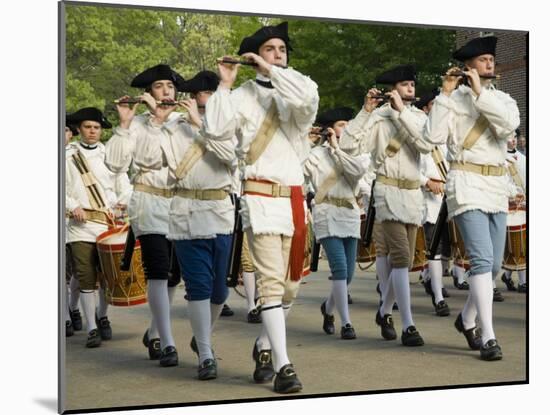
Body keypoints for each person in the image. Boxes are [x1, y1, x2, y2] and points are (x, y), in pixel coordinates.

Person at [202, 21, 319, 393]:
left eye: (282, 50)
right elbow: (215, 129)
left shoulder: (297, 91)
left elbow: (308, 101)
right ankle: (285, 366)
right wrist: (224, 83)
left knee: (290, 289)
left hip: (296, 202)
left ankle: (265, 346)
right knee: (270, 286)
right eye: (269, 50)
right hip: (261, 199)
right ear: (255, 56)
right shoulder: (241, 96)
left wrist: (273, 71)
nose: (278, 55)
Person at [424, 35, 520, 360]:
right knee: (480, 260)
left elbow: (508, 128)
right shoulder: (451, 101)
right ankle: (488, 336)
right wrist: (445, 92)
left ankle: (466, 319)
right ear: (468, 66)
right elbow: (433, 137)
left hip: (496, 187)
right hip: (465, 184)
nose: (489, 63)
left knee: (492, 266)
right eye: (482, 60)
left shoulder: (504, 99)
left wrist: (480, 93)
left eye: (491, 59)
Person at [339, 64, 433, 347]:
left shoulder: (416, 116)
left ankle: (383, 311)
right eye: (404, 85)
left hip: (413, 195)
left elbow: (426, 145)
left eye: (412, 85)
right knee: (402, 258)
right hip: (389, 193)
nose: (410, 90)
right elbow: (348, 145)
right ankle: (409, 325)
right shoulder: (378, 118)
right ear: (393, 89)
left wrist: (401, 112)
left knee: (399, 261)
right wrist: (366, 111)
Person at [105, 64, 185, 366]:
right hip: (148, 202)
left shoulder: (182, 121)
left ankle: (153, 330)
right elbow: (115, 165)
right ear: (148, 93)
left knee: (175, 276)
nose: (166, 91)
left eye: (170, 86)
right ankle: (167, 342)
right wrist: (125, 124)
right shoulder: (136, 124)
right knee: (158, 270)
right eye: (159, 86)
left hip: (180, 205)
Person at [304, 107, 365, 339]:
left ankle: (328, 308)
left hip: (349, 212)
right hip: (326, 212)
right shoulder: (316, 155)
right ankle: (346, 322)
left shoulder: (355, 152)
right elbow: (298, 167)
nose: (346, 128)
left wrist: (338, 150)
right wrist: (309, 141)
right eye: (341, 124)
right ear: (330, 128)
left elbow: (357, 173)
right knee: (339, 269)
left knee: (349, 274)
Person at [66, 107, 117, 348]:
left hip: (106, 224)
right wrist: (73, 204)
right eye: (88, 127)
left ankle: (102, 315)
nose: (92, 131)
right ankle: (91, 328)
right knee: (85, 276)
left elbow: (120, 184)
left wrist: (121, 202)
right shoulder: (66, 155)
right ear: (79, 129)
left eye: (96, 127)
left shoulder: (109, 156)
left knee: (107, 276)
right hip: (79, 225)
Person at [415, 90, 451, 316]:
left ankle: (430, 279)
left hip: (450, 201)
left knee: (448, 251)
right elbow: (409, 168)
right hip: (428, 203)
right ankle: (438, 298)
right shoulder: (420, 136)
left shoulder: (448, 136)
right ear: (427, 109)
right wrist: (427, 181)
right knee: (434, 251)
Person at [501, 128, 527, 293]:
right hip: (508, 205)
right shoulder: (500, 159)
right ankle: (508, 276)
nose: (514, 139)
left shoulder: (524, 159)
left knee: (524, 243)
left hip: (523, 204)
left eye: (515, 136)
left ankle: (521, 281)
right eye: (510, 136)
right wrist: (512, 194)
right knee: (512, 246)